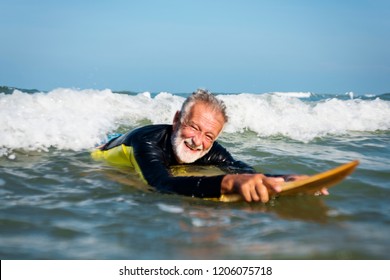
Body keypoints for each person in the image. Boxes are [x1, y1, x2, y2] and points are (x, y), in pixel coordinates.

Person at [93, 89, 328, 202]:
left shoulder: (209, 148)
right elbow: (160, 183)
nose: (198, 142)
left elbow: (241, 171)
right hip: (103, 151)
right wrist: (225, 184)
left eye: (209, 135)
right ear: (176, 120)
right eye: (194, 128)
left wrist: (284, 179)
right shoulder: (146, 142)